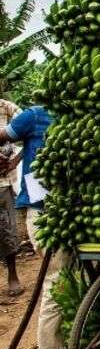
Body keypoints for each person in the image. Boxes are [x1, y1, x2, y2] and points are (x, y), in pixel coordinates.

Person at [0, 105, 66, 349]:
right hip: (42, 213)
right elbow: (4, 136)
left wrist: (15, 163)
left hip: (66, 212)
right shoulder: (35, 115)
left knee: (66, 280)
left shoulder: (74, 117)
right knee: (56, 281)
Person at [0, 98, 23, 297]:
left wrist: (15, 159)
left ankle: (13, 274)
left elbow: (31, 131)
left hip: (2, 180)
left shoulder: (7, 108)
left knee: (6, 227)